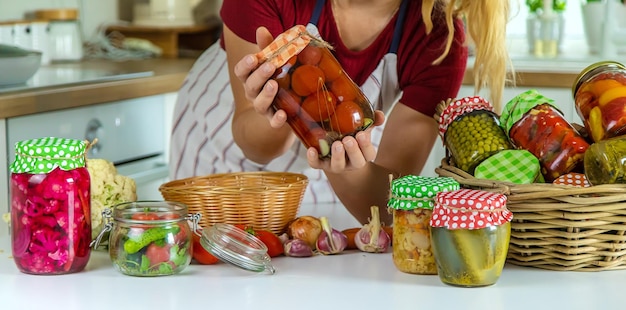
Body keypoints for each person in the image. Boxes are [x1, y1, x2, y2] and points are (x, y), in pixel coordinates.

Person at [170, 0, 511, 224]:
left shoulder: (438, 40)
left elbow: (385, 205)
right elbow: (256, 143)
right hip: (215, 165)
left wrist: (349, 169)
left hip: (321, 185)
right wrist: (285, 106)